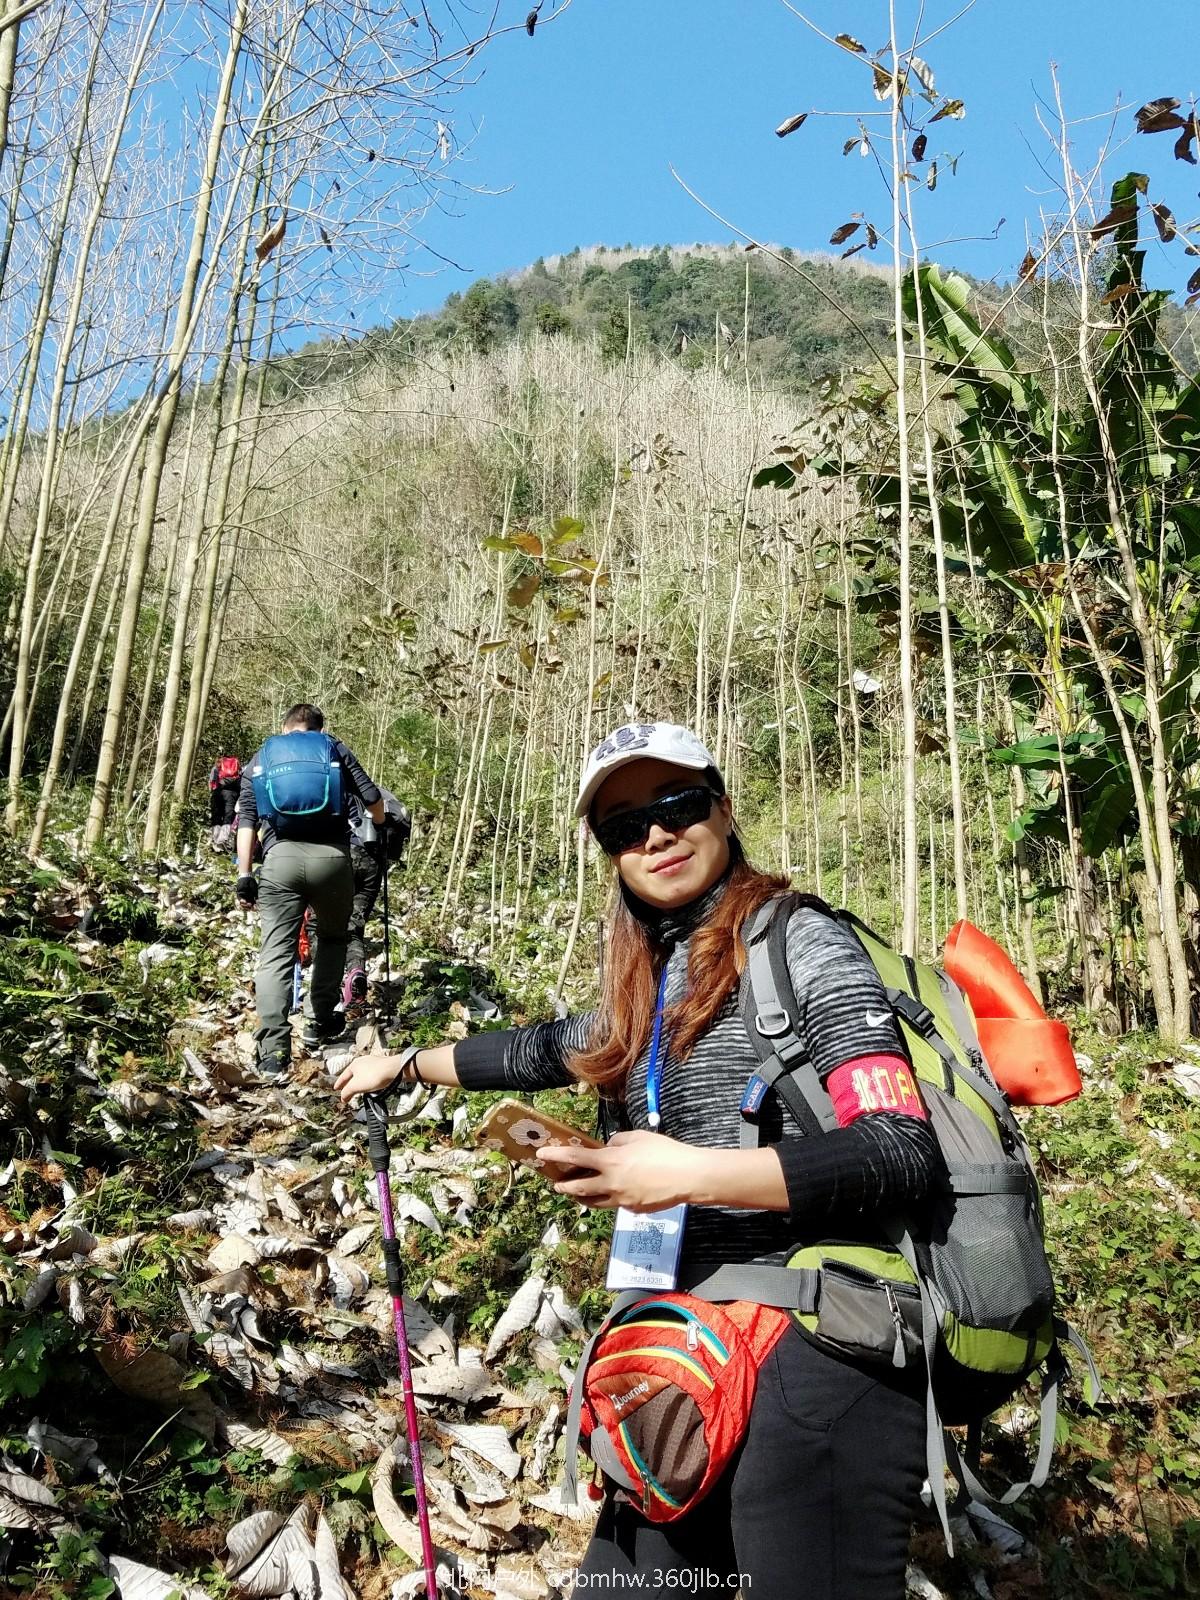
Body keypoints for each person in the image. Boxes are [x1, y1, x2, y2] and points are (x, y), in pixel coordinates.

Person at [336, 721, 941, 1599]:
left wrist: (681, 1172)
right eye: (623, 826)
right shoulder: (654, 979)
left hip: (821, 1342)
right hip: (686, 1346)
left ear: (723, 810)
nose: (655, 835)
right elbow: (546, 1049)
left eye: (678, 804)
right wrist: (405, 1065)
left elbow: (900, 1149)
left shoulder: (799, 941)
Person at [236, 702, 385, 1075]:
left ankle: (273, 1052)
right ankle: (318, 1024)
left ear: (285, 727)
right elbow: (372, 799)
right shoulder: (333, 748)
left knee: (276, 952)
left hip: (280, 860)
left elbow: (247, 820)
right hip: (333, 861)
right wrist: (379, 825)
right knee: (333, 939)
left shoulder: (263, 756)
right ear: (319, 727)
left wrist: (244, 874)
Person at [339, 787, 412, 1008]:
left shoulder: (343, 791)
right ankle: (356, 972)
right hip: (374, 864)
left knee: (328, 922)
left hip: (345, 857)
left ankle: (331, 987)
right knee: (355, 925)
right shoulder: (384, 795)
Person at [208, 754, 241, 851]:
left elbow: (212, 781)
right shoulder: (237, 767)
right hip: (233, 794)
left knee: (217, 816)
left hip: (218, 792)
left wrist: (212, 792)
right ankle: (221, 841)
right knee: (228, 817)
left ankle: (215, 839)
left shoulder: (217, 767)